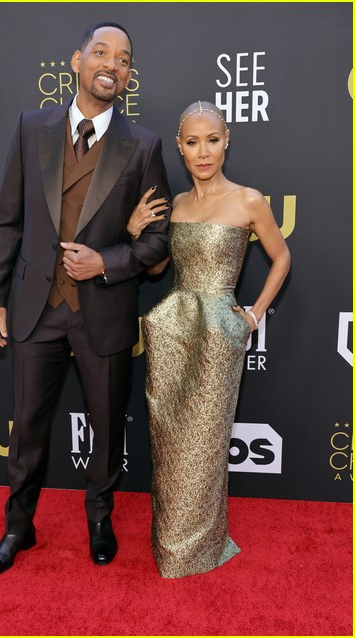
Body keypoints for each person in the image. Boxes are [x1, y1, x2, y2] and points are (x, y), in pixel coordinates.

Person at [0, 22, 170, 578]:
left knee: (107, 428)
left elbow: (158, 242)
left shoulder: (146, 146)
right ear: (76, 61)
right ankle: (18, 526)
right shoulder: (29, 127)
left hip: (104, 313)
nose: (112, 64)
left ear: (129, 75)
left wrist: (105, 261)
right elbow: (7, 222)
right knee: (27, 427)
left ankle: (100, 519)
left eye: (124, 59)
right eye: (101, 53)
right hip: (35, 308)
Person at [127, 101, 290, 578]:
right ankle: (171, 542)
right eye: (193, 142)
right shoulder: (175, 204)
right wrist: (136, 232)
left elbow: (281, 258)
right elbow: (158, 269)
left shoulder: (249, 200)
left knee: (207, 441)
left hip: (219, 332)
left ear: (227, 141)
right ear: (180, 147)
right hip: (172, 328)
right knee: (169, 440)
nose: (204, 152)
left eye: (212, 140)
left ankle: (197, 547)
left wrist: (254, 314)